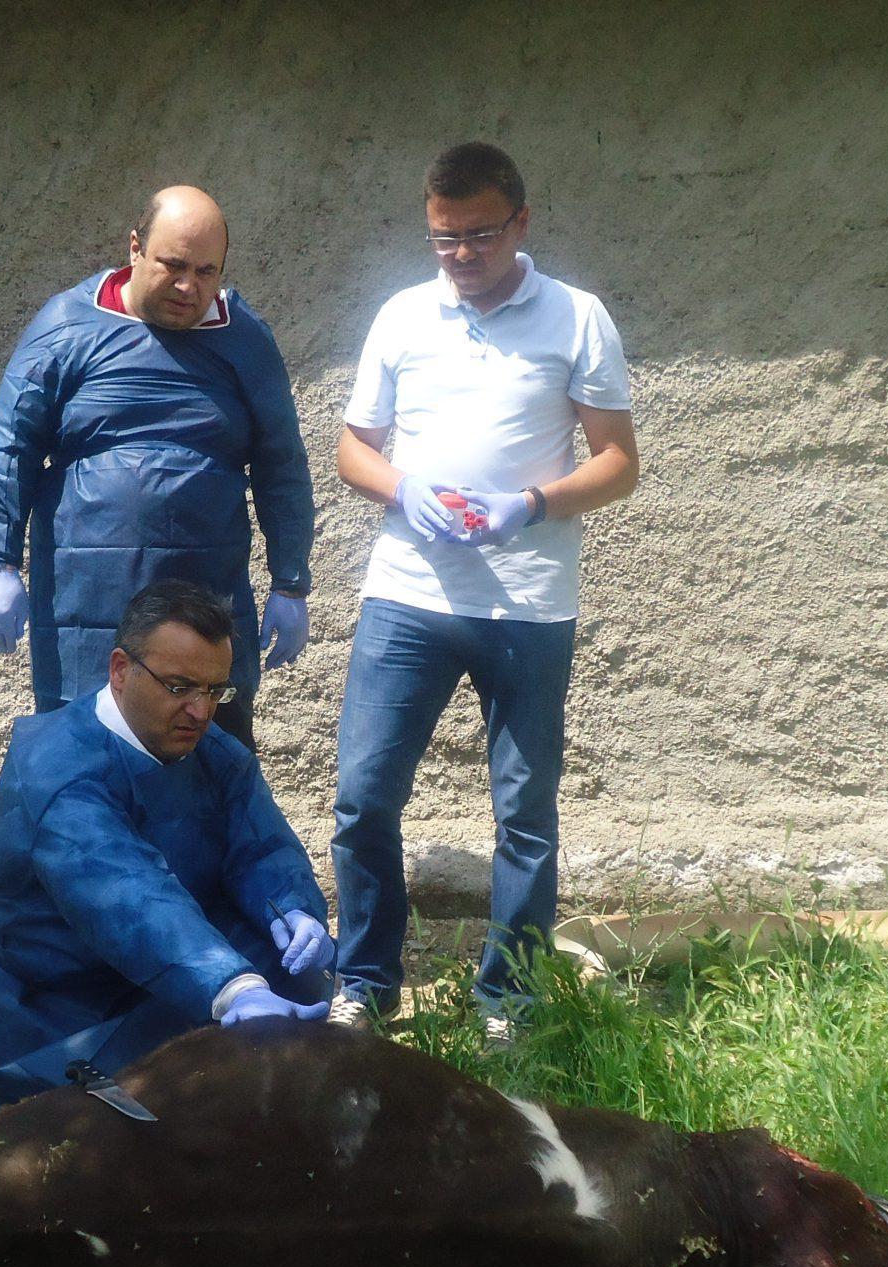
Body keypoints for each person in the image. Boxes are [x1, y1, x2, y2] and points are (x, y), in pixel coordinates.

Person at [330, 143, 640, 1038]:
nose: (461, 255)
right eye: (443, 238)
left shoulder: (577, 318)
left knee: (524, 815)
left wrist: (530, 505)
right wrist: (402, 489)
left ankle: (508, 1000)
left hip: (529, 603)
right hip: (407, 597)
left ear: (522, 222)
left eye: (480, 235)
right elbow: (355, 448)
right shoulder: (401, 317)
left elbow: (620, 465)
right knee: (362, 796)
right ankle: (367, 984)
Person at [0, 579, 334, 1117]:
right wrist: (233, 986)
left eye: (216, 691)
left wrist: (293, 907)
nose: (201, 712)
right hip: (47, 987)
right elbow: (126, 895)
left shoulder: (215, 753)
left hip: (170, 964)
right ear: (121, 670)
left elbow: (261, 846)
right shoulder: (58, 769)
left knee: (298, 972)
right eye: (180, 687)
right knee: (75, 1139)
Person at [0, 185, 316, 751]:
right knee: (86, 772)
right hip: (86, 605)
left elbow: (281, 464)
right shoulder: (67, 326)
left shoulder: (244, 340)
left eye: (207, 272)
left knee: (208, 774)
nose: (189, 287)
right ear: (135, 248)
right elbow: (14, 445)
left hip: (206, 597)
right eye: (173, 265)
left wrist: (291, 582)